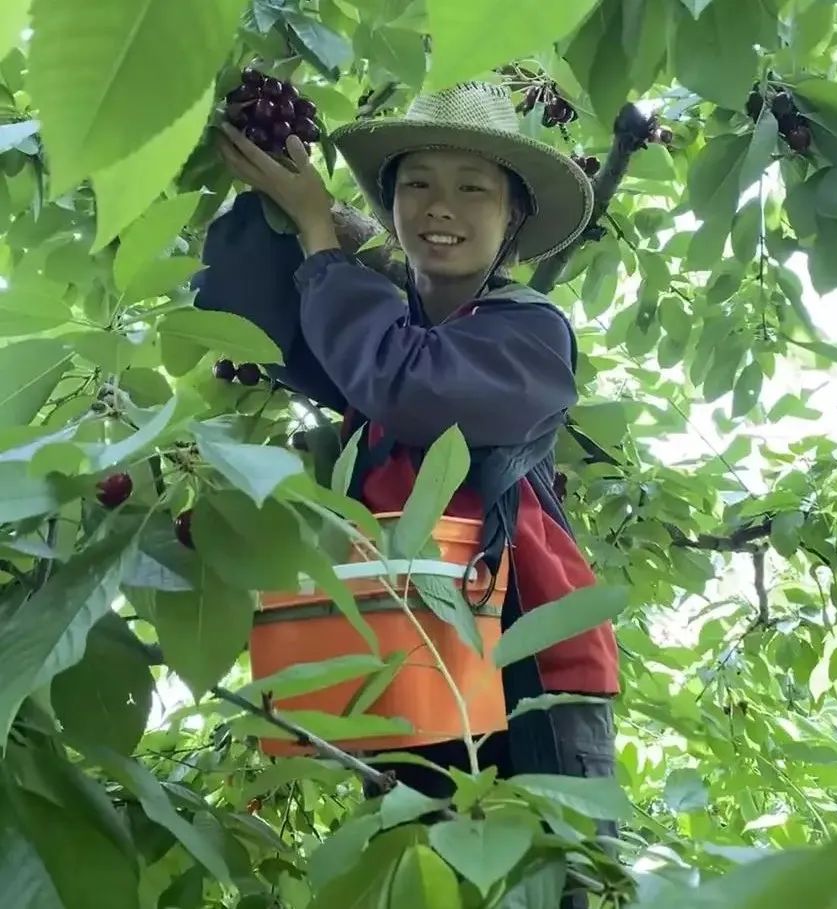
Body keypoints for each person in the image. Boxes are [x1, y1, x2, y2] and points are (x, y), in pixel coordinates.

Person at [194, 80, 621, 875]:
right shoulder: (374, 324)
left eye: (473, 189)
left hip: (529, 680)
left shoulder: (529, 335)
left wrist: (323, 232)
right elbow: (244, 318)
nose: (440, 206)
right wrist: (270, 191)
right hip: (406, 670)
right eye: (417, 183)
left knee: (542, 880)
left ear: (515, 219)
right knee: (422, 881)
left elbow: (407, 382)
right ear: (390, 204)